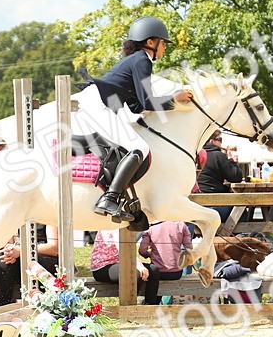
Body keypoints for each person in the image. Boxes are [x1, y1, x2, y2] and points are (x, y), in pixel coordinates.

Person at [80, 16, 193, 222]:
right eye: (163, 43)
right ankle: (109, 198)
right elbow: (147, 101)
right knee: (140, 148)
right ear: (151, 42)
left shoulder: (136, 60)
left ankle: (122, 198)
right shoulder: (142, 60)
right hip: (99, 105)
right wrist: (174, 99)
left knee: (128, 144)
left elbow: (136, 105)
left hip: (98, 103)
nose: (165, 48)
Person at [91, 228, 160, 304]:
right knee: (134, 273)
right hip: (103, 267)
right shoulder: (113, 226)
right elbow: (123, 249)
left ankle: (150, 307)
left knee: (154, 269)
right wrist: (139, 266)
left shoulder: (125, 227)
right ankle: (129, 306)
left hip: (121, 263)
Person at [195, 131, 243, 225]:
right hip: (214, 205)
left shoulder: (195, 154)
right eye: (219, 139)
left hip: (195, 206)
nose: (221, 143)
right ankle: (240, 237)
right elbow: (236, 177)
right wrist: (230, 159)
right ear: (210, 141)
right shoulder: (218, 155)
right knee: (241, 212)